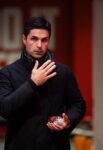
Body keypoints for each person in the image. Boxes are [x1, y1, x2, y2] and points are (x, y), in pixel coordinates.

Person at [0, 17, 86, 150]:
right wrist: (32, 83)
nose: (39, 45)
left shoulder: (63, 72)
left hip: (55, 145)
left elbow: (78, 105)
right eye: (34, 39)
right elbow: (4, 109)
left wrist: (67, 120)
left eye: (44, 40)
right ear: (24, 39)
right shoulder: (7, 73)